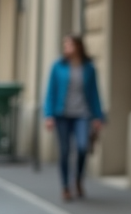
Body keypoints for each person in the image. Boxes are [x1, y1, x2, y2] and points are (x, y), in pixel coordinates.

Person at [43, 35, 105, 202]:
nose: (66, 48)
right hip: (62, 115)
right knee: (64, 152)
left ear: (78, 46)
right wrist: (48, 115)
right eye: (65, 45)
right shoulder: (57, 66)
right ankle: (65, 186)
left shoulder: (88, 68)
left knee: (83, 147)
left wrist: (99, 116)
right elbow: (51, 92)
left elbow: (94, 93)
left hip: (82, 114)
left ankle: (77, 179)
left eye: (69, 45)